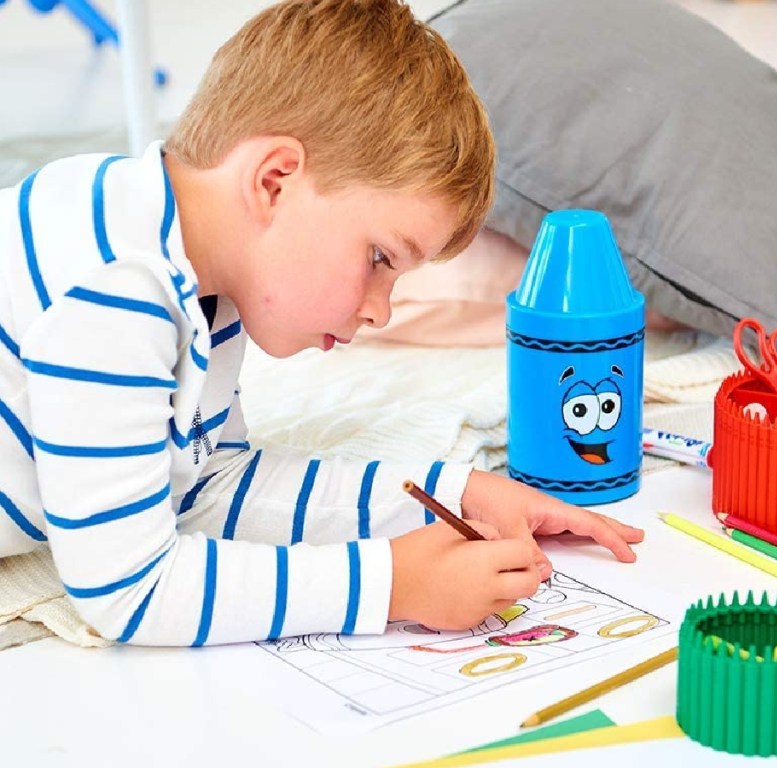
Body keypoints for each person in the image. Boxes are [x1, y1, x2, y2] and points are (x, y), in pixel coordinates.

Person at [0, 0, 643, 647]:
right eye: (378, 259)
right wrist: (390, 584)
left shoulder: (206, 286)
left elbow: (205, 487)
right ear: (275, 181)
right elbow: (129, 589)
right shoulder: (114, 284)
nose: (380, 309)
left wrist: (457, 491)